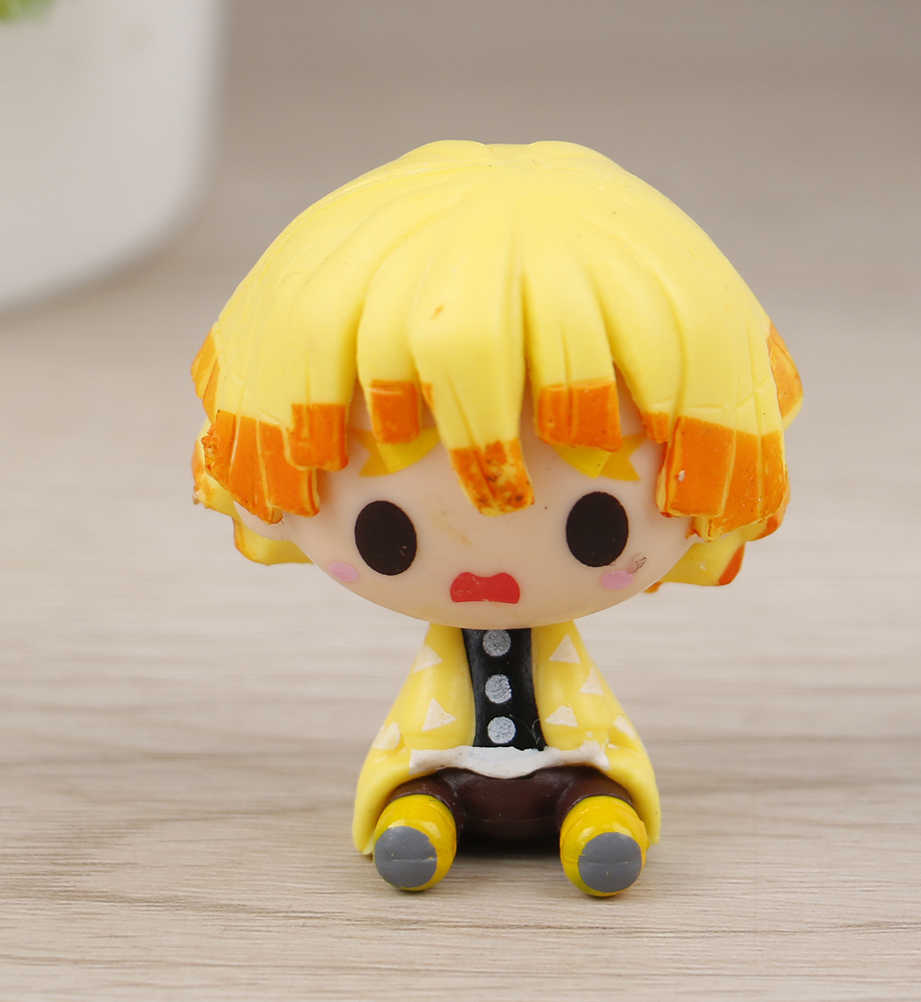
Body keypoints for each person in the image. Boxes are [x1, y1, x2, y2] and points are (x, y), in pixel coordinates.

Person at [191, 140, 802, 896]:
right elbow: (420, 730)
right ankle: (422, 818)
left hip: (572, 759)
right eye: (388, 534)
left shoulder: (567, 682)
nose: (489, 571)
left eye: (596, 528)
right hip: (440, 760)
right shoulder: (436, 690)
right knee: (420, 791)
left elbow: (592, 727)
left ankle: (595, 820)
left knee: (595, 788)